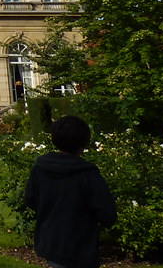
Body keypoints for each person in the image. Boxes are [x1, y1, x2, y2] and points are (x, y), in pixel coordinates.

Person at [25, 115, 116, 268]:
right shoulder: (87, 174)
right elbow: (106, 212)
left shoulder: (40, 168)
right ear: (83, 143)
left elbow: (30, 199)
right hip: (79, 247)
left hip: (51, 242)